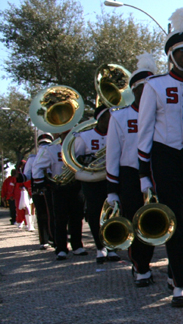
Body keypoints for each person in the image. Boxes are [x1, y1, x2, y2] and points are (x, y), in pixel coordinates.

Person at [138, 8, 183, 307]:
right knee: (173, 218)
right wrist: (142, 173)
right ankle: (182, 284)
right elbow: (145, 129)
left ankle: (177, 272)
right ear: (171, 55)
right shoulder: (155, 85)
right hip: (165, 157)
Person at [106, 54, 157, 285]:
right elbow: (113, 155)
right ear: (134, 90)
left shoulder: (162, 114)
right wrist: (112, 189)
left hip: (159, 172)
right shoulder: (120, 117)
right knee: (137, 223)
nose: (147, 93)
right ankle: (141, 266)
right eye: (142, 88)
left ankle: (176, 274)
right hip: (130, 176)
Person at [73, 105, 118, 263]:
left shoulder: (116, 133)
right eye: (106, 118)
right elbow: (76, 159)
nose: (110, 121)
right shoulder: (84, 136)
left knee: (112, 212)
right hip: (92, 180)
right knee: (94, 213)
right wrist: (87, 160)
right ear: (99, 119)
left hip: (111, 177)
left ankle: (112, 246)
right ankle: (100, 248)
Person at [32, 132, 87, 261]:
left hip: (76, 184)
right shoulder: (51, 149)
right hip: (59, 187)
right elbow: (38, 166)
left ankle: (77, 246)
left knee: (77, 217)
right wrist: (42, 183)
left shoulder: (78, 145)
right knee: (60, 218)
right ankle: (61, 248)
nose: (66, 132)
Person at [24, 134, 55, 248]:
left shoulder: (54, 154)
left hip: (52, 188)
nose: (44, 146)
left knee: (54, 213)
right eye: (42, 143)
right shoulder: (32, 159)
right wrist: (20, 177)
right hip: (39, 190)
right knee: (42, 214)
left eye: (46, 143)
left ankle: (55, 238)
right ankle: (44, 240)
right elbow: (27, 175)